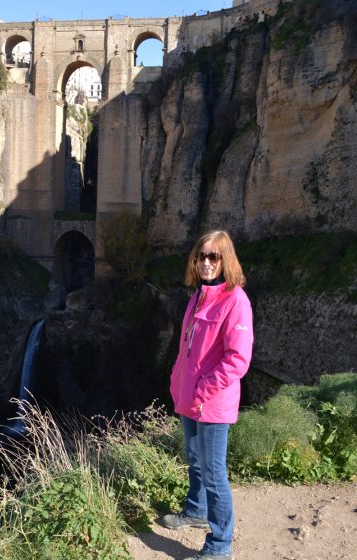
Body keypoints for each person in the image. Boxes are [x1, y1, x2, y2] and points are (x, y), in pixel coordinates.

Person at [162, 230, 254, 560]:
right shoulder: (199, 296)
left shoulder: (235, 301)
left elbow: (237, 360)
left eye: (213, 256)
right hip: (190, 398)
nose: (205, 262)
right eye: (201, 256)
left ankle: (220, 546)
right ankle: (195, 510)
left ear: (226, 260)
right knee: (195, 460)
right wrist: (177, 381)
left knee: (214, 474)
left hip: (213, 404)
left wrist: (203, 390)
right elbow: (186, 348)